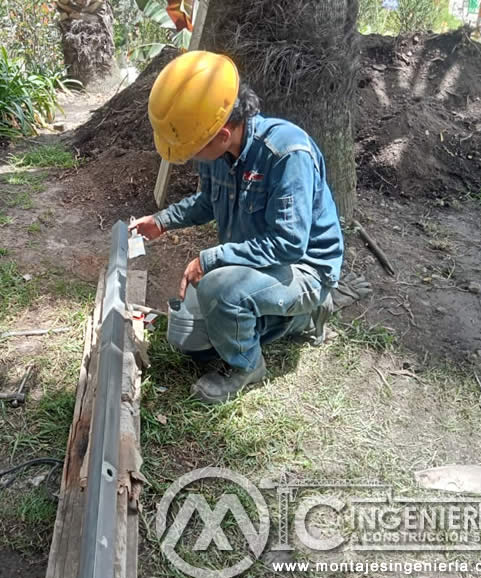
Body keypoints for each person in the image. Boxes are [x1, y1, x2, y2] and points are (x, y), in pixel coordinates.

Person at [131, 51, 344, 404]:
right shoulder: (220, 153)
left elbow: (289, 244)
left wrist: (211, 259)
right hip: (263, 265)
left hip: (304, 268)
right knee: (194, 345)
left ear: (223, 132)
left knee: (218, 289)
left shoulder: (286, 154)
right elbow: (206, 202)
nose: (193, 156)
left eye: (195, 148)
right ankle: (298, 320)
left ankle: (248, 366)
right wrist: (162, 221)